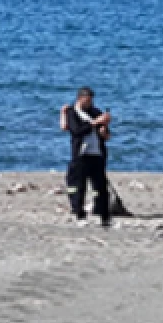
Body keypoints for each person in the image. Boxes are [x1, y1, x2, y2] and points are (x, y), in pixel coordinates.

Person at [59, 87, 112, 226]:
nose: (89, 103)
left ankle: (103, 215)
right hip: (81, 154)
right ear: (80, 99)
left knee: (100, 187)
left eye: (91, 100)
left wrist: (103, 128)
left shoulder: (96, 112)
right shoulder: (72, 112)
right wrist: (94, 123)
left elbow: (106, 136)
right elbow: (76, 130)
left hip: (97, 154)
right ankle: (79, 213)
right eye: (87, 100)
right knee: (78, 185)